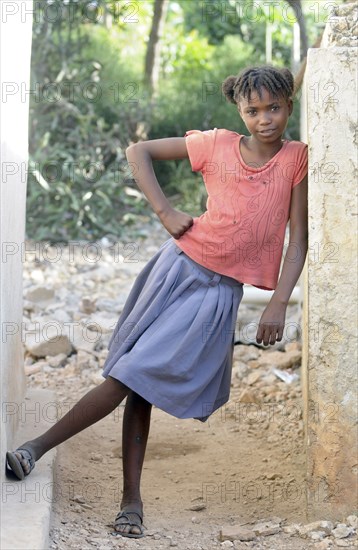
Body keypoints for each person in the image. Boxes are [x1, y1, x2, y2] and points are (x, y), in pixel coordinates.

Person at [6, 65, 308, 539]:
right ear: (239, 110)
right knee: (133, 376)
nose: (265, 118)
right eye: (253, 110)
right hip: (176, 270)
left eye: (274, 107)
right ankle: (105, 485)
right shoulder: (217, 144)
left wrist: (279, 304)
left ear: (290, 105)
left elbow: (298, 241)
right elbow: (138, 151)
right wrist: (165, 211)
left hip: (217, 293)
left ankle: (44, 452)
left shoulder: (295, 159)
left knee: (136, 374)